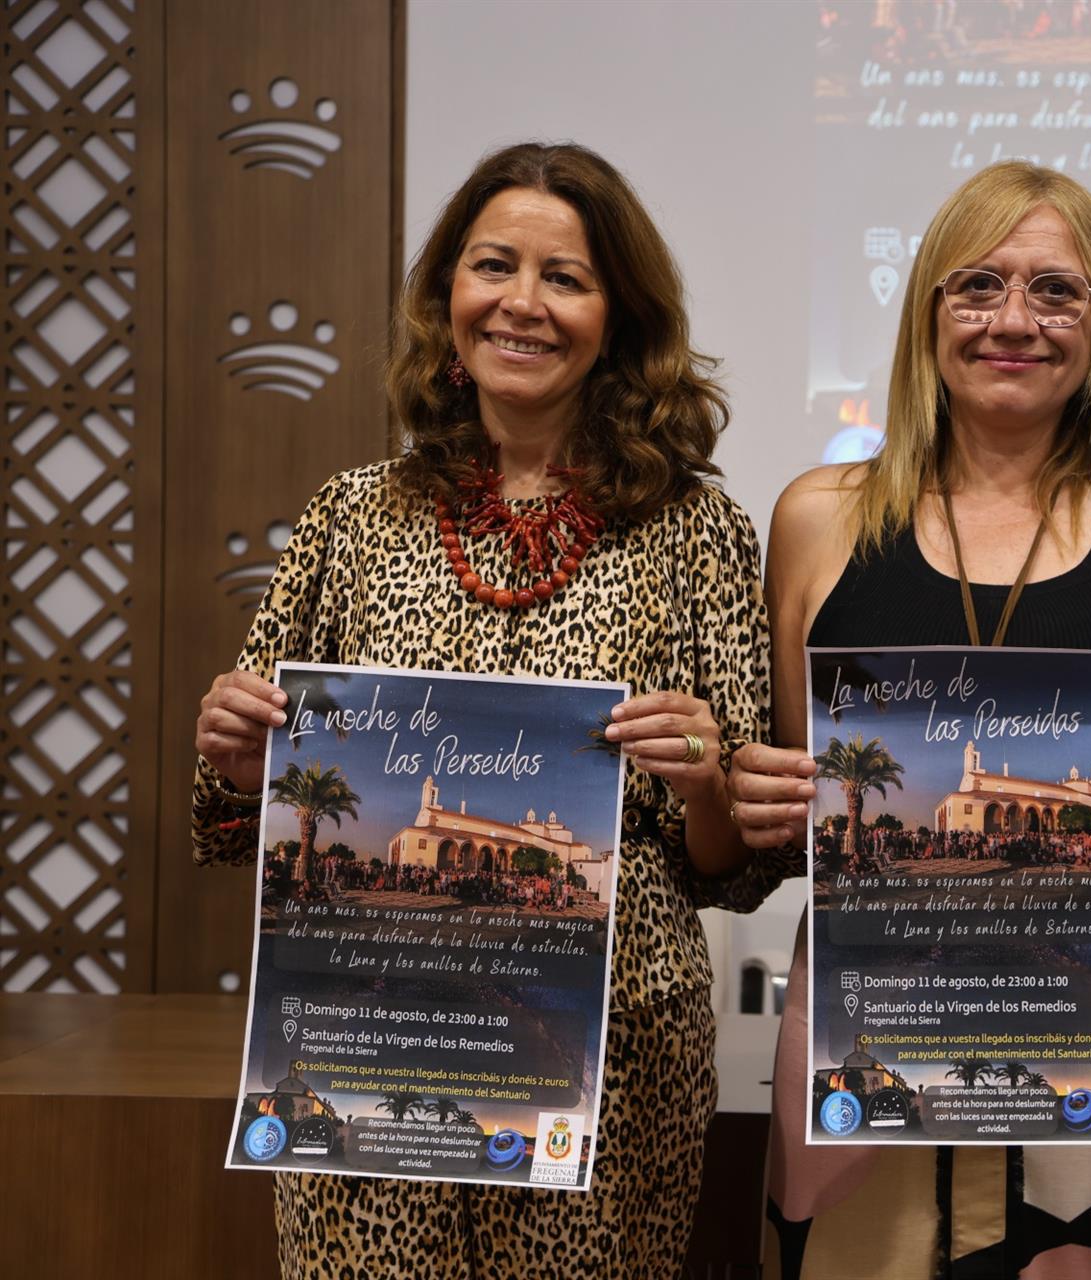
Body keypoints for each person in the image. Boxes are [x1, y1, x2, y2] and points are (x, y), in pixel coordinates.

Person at [189, 142, 798, 1279]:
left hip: (610, 1073)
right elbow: (245, 813)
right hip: (371, 1052)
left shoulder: (699, 531)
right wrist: (233, 755)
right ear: (447, 298)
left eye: (565, 277)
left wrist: (706, 781)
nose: (523, 302)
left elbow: (730, 866)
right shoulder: (350, 517)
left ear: (618, 316)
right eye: (493, 266)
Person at [726, 160, 1091, 1278]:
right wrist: (756, 791)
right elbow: (785, 810)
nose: (1014, 320)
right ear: (929, 311)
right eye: (978, 286)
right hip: (865, 1029)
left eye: (1056, 291)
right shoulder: (818, 518)